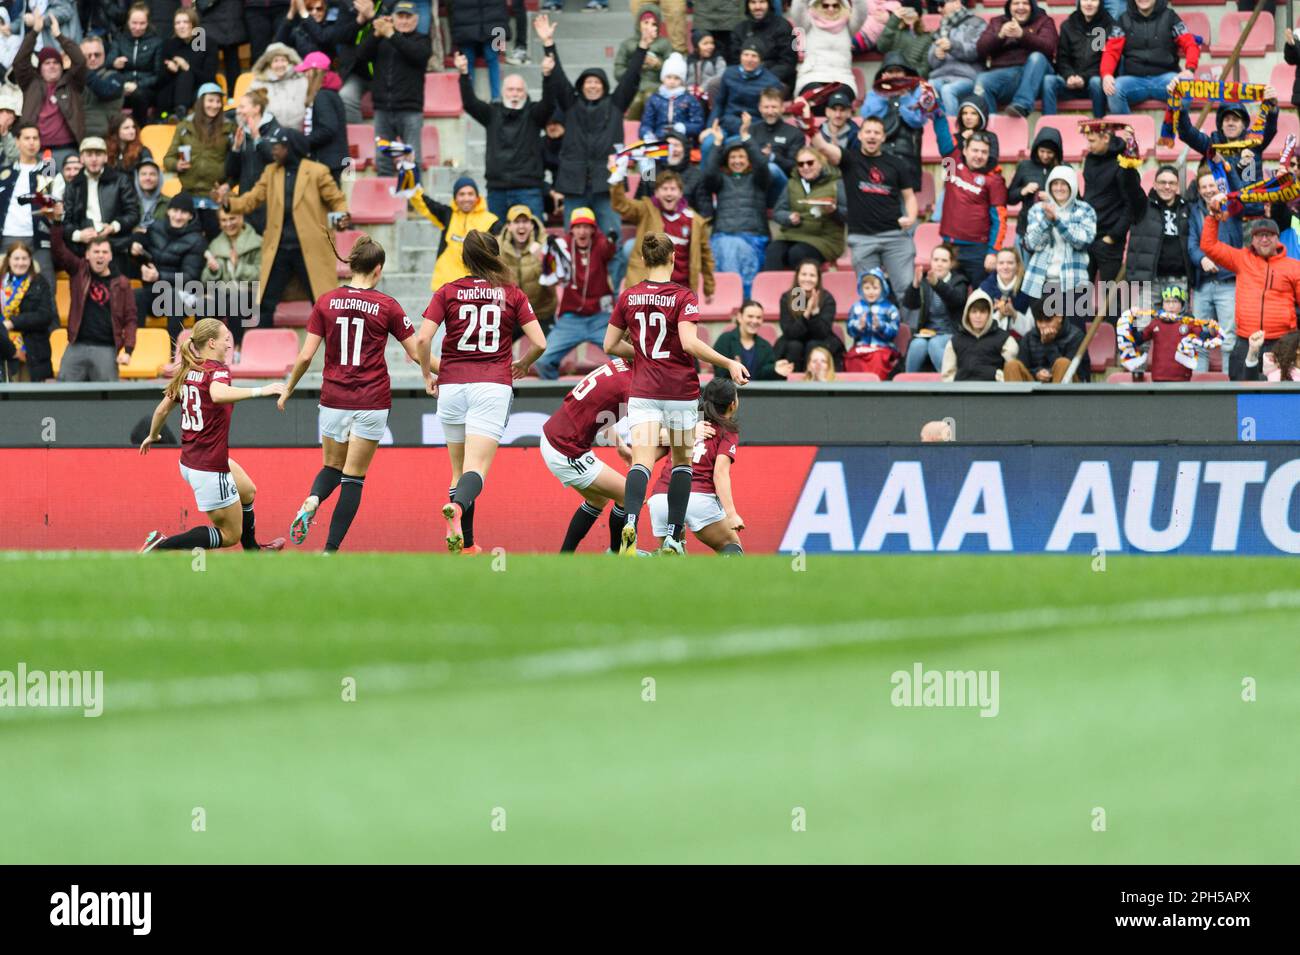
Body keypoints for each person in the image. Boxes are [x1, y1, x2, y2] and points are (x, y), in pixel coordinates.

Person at [603, 232, 749, 556]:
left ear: (642, 260)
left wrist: (642, 355)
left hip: (643, 390)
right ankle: (672, 535)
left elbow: (609, 345)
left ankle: (630, 522)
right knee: (681, 461)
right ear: (673, 259)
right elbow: (688, 343)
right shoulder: (684, 296)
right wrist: (727, 361)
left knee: (641, 462)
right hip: (679, 390)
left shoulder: (628, 296)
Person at [279, 234, 420, 551]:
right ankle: (330, 550)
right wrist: (449, 370)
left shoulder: (326, 301)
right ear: (378, 270)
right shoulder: (388, 306)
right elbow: (417, 353)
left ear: (351, 267)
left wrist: (288, 389)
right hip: (371, 400)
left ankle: (313, 500)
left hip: (334, 399)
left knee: (331, 467)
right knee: (354, 478)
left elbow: (305, 356)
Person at [418, 230, 548, 554]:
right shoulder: (511, 293)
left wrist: (425, 376)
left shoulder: (447, 292)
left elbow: (421, 340)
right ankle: (458, 510)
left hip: (451, 385)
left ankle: (467, 544)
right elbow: (541, 342)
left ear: (465, 259)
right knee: (475, 471)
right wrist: (523, 363)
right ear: (495, 255)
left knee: (457, 470)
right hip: (491, 385)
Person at [139, 319, 287, 553]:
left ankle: (253, 551)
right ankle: (162, 544)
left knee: (247, 490)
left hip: (191, 460)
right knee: (229, 535)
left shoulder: (190, 369)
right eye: (226, 339)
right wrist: (262, 390)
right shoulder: (217, 371)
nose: (229, 345)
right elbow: (217, 394)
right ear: (211, 342)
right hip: (208, 467)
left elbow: (162, 409)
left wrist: (152, 435)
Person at [216, 129, 351, 331]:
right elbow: (252, 199)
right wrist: (228, 204)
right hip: (278, 248)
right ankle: (261, 351)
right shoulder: (271, 171)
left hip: (311, 247)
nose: (273, 150)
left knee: (324, 304)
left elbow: (337, 200)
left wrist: (341, 216)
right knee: (265, 304)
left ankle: (338, 352)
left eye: (277, 146)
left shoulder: (317, 171)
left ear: (290, 147)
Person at [542, 15, 647, 236]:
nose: (592, 86)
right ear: (581, 86)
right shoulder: (571, 105)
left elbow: (630, 77)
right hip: (574, 184)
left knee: (612, 238)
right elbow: (559, 77)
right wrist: (549, 45)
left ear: (604, 86)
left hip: (607, 185)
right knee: (573, 238)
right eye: (588, 82)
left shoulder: (616, 104)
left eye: (597, 82)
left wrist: (643, 47)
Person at [457, 19, 558, 221]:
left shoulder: (534, 114)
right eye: (510, 89)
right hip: (497, 191)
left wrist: (548, 75)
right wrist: (464, 74)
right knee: (495, 246)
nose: (515, 93)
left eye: (519, 90)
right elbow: (469, 103)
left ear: (525, 93)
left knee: (534, 241)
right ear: (502, 92)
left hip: (529, 189)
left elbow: (549, 102)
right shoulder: (492, 113)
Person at [812, 114, 917, 300]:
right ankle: (871, 328)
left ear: (883, 138)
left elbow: (909, 197)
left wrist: (911, 217)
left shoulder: (897, 163)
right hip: (862, 239)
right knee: (870, 295)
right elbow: (822, 147)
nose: (872, 136)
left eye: (877, 133)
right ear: (859, 135)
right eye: (868, 131)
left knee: (906, 292)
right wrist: (808, 125)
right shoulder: (849, 159)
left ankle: (912, 329)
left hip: (895, 237)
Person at [541, 357, 638, 553]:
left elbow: (598, 406)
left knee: (597, 500)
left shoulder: (619, 364)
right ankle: (617, 554)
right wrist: (686, 432)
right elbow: (644, 430)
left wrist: (619, 445)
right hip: (565, 448)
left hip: (555, 436)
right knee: (630, 495)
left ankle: (564, 557)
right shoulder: (631, 383)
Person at [647, 377, 744, 555]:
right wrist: (732, 514)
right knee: (731, 545)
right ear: (732, 404)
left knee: (674, 559)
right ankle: (730, 584)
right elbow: (720, 474)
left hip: (661, 498)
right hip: (699, 499)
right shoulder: (726, 430)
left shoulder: (686, 422)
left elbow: (649, 440)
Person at [1200, 210, 1300, 379]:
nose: (1264, 239)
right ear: (1252, 240)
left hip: (1282, 343)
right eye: (1259, 235)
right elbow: (1209, 246)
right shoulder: (1241, 259)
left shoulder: (1294, 266)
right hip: (1246, 341)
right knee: (1240, 394)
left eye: (1269, 235)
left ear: (1277, 239)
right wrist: (1212, 217)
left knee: (1280, 399)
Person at [534, 207, 614, 380]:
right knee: (543, 360)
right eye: (578, 227)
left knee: (626, 360)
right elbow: (549, 269)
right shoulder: (563, 246)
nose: (582, 231)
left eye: (587, 227)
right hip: (571, 319)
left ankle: (624, 397)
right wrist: (548, 249)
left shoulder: (600, 244)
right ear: (571, 229)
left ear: (594, 229)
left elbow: (609, 250)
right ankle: (555, 401)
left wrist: (611, 240)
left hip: (600, 318)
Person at [610, 167, 715, 301]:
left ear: (681, 193)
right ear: (657, 192)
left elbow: (706, 256)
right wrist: (617, 179)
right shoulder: (646, 209)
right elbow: (620, 205)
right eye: (664, 189)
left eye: (673, 189)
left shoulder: (694, 221)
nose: (669, 193)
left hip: (680, 290)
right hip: (647, 290)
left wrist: (709, 288)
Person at [51, 226, 137, 381]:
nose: (100, 256)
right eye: (96, 252)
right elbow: (58, 249)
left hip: (107, 349)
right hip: (76, 346)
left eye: (104, 252)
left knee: (108, 401)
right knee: (62, 396)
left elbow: (130, 318)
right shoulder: (78, 271)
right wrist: (57, 222)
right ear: (87, 255)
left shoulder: (122, 283)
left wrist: (128, 350)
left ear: (111, 256)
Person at [932, 116, 1006, 287]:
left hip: (978, 250)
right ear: (964, 150)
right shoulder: (952, 163)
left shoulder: (995, 180)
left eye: (984, 152)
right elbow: (942, 134)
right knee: (950, 301)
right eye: (975, 150)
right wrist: (936, 111)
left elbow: (1000, 220)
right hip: (950, 247)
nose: (979, 156)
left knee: (981, 300)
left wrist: (993, 252)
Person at [358, 2, 430, 175]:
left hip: (410, 109)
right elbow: (360, 56)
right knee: (383, 162)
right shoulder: (382, 39)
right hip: (382, 109)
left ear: (417, 19)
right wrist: (376, 34)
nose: (404, 21)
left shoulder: (422, 40)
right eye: (400, 16)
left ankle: (413, 202)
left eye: (408, 17)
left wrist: (391, 34)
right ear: (393, 18)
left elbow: (416, 54)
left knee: (412, 161)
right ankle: (386, 202)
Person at [702, 123, 769, 300]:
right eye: (733, 157)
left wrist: (746, 138)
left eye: (742, 156)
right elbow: (708, 174)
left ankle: (737, 300)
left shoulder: (758, 180)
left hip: (752, 237)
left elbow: (762, 166)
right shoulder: (721, 180)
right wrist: (717, 143)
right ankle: (730, 301)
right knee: (722, 249)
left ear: (749, 159)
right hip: (722, 236)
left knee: (733, 249)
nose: (737, 161)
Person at [1020, 165, 1096, 322]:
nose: (1059, 188)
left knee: (1075, 335)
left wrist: (1058, 222)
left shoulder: (1085, 210)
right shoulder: (1038, 210)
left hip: (1074, 283)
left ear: (1072, 186)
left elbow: (1082, 242)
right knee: (1044, 334)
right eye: (1055, 184)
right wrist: (1046, 222)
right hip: (1042, 281)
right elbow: (1032, 244)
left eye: (1064, 184)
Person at [132, 192, 207, 344]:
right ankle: (136, 347)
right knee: (136, 295)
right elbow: (142, 245)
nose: (178, 216)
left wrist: (159, 276)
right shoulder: (155, 227)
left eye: (184, 212)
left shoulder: (197, 240)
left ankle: (176, 351)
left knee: (174, 297)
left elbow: (190, 276)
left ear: (191, 216)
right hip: (157, 291)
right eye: (175, 210)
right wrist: (134, 247)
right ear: (168, 211)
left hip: (186, 295)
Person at [1100, 0, 1198, 114]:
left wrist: (1190, 69)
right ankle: (1127, 130)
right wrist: (1106, 74)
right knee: (1114, 90)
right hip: (1134, 79)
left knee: (1185, 86)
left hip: (1166, 78)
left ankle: (1175, 130)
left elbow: (1190, 44)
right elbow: (1111, 51)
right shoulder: (1123, 19)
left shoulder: (1170, 16)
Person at [14, 13, 86, 166]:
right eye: (47, 63)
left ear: (62, 66)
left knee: (70, 188)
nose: (52, 66)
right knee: (48, 187)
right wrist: (34, 32)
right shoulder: (31, 83)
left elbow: (80, 61)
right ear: (40, 68)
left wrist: (59, 36)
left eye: (56, 62)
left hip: (69, 150)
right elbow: (20, 62)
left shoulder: (72, 83)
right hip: (43, 152)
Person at [164, 83, 234, 237]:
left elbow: (236, 164)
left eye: (218, 101)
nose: (214, 105)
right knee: (189, 241)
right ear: (200, 102)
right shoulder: (184, 127)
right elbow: (168, 159)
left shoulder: (229, 128)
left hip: (215, 196)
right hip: (189, 194)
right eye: (210, 100)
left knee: (214, 240)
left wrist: (228, 185)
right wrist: (177, 164)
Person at [409, 175, 499, 291]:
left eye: (470, 194)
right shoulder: (448, 215)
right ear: (455, 198)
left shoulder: (491, 220)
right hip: (446, 285)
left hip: (477, 287)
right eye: (461, 194)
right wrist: (409, 177)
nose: (466, 198)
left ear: (477, 197)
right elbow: (423, 202)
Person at [1116, 285, 1221, 382]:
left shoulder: (1189, 323)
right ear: (1162, 305)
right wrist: (1132, 321)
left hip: (1182, 379)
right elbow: (1137, 340)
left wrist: (1212, 331)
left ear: (1182, 304)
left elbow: (1204, 339)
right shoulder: (1155, 323)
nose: (1170, 305)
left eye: (1175, 301)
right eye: (1167, 301)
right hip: (1158, 378)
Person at [1187, 169, 1239, 364]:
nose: (1209, 190)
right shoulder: (1194, 212)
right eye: (1204, 187)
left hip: (1228, 283)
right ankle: (1198, 387)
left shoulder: (1233, 208)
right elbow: (1191, 244)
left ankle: (1229, 386)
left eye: (1212, 185)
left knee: (1228, 339)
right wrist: (1201, 259)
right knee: (1199, 338)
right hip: (1203, 284)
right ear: (1199, 190)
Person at [62, 136, 141, 262]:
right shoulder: (73, 186)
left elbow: (133, 213)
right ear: (81, 159)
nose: (94, 159)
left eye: (98, 154)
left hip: (115, 243)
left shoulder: (120, 180)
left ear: (105, 157)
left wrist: (113, 227)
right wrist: (79, 235)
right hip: (84, 247)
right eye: (89, 154)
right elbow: (65, 221)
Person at [767, 146, 846, 270]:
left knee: (798, 253)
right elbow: (778, 212)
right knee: (773, 251)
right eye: (801, 164)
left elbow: (850, 214)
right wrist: (788, 217)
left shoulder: (836, 183)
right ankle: (774, 289)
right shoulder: (792, 183)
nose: (805, 167)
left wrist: (834, 211)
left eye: (810, 163)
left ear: (821, 164)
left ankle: (799, 290)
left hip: (825, 238)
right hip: (793, 234)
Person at [974, 0, 1057, 118]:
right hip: (1006, 76)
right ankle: (989, 130)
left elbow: (1049, 47)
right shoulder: (997, 22)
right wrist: (1000, 35)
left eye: (1025, 3)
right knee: (982, 80)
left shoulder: (1044, 21)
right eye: (1016, 3)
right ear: (1009, 6)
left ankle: (1022, 105)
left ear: (1032, 6)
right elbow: (981, 49)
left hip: (1036, 75)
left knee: (1036, 57)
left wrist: (1022, 35)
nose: (1020, 7)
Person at [861, 54, 927, 192]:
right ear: (884, 74)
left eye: (898, 71)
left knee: (905, 206)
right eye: (890, 71)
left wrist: (904, 97)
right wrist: (884, 93)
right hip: (880, 157)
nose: (894, 75)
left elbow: (917, 120)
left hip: (908, 159)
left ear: (905, 73)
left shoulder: (917, 92)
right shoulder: (874, 93)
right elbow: (870, 119)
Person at [1122, 162, 1192, 291]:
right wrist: (1129, 165)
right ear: (1154, 184)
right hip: (1149, 282)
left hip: (1179, 280)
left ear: (1177, 186)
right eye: (1162, 182)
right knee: (1145, 312)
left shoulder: (1186, 208)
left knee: (1177, 313)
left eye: (1171, 183)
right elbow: (1131, 186)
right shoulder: (1142, 206)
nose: (1167, 187)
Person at [901, 243, 969, 372]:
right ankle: (908, 385)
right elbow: (910, 304)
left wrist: (937, 284)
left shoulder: (960, 281)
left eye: (944, 261)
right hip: (926, 332)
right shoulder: (925, 281)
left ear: (951, 264)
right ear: (931, 262)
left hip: (951, 332)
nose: (939, 264)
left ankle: (949, 383)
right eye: (936, 260)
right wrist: (915, 285)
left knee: (935, 343)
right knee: (917, 345)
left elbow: (956, 300)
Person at [0, 123, 55, 279]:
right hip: (7, 236)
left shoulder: (48, 169)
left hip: (38, 236)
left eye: (35, 138)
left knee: (46, 286)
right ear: (17, 142)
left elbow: (57, 199)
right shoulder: (4, 171)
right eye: (27, 138)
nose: (32, 142)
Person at [1080, 123, 1130, 291]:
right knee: (1079, 298)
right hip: (1087, 236)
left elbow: (1131, 205)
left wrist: (1113, 237)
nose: (1089, 145)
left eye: (1092, 141)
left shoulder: (1124, 161)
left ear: (1106, 138)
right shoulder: (1090, 159)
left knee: (1112, 301)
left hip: (1109, 241)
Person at [0, 241, 57, 382]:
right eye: (16, 258)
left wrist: (13, 322)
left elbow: (45, 316)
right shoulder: (1, 283)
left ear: (30, 260)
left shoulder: (39, 282)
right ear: (9, 260)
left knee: (30, 400)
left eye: (24, 258)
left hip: (33, 351)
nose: (20, 263)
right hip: (5, 349)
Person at [201, 207, 263, 337]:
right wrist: (214, 271)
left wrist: (238, 266)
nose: (228, 224)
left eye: (232, 218)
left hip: (250, 294)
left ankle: (237, 347)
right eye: (224, 220)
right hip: (224, 294)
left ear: (241, 217)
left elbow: (261, 274)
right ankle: (204, 348)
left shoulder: (257, 242)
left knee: (235, 300)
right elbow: (205, 280)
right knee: (204, 303)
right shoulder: (215, 244)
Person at [1045, 0, 1113, 117]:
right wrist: (1069, 75)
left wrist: (1084, 78)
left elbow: (1106, 60)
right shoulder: (1068, 25)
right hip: (1069, 81)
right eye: (1085, 0)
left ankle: (1099, 128)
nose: (1089, 4)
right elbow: (1062, 57)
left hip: (1093, 83)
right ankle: (1048, 130)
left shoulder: (1108, 26)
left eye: (1093, 0)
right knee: (1048, 81)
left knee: (1096, 82)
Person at [497, 204, 558, 334]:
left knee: (546, 351)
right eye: (516, 222)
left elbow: (555, 283)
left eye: (525, 221)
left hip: (541, 312)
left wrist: (544, 262)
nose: (521, 226)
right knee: (499, 352)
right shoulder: (497, 247)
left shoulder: (546, 244)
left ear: (531, 225)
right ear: (509, 226)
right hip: (511, 314)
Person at [790, 0, 867, 102]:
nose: (831, 9)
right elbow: (798, 7)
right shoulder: (808, 23)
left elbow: (861, 11)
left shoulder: (848, 25)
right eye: (825, 5)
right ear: (817, 5)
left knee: (839, 100)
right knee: (816, 97)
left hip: (842, 77)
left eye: (835, 5)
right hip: (812, 76)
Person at [227, 89, 280, 234]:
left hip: (269, 200)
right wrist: (236, 148)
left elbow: (275, 160)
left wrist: (258, 139)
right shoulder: (240, 132)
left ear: (256, 109)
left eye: (242, 107)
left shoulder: (275, 130)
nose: (238, 111)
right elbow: (231, 171)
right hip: (246, 199)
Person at [775, 260, 843, 371]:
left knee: (813, 345)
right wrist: (806, 313)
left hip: (820, 340)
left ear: (818, 278)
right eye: (804, 274)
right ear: (798, 276)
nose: (807, 279)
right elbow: (791, 333)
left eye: (812, 275)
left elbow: (822, 333)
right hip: (793, 342)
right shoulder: (788, 297)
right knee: (794, 346)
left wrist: (815, 311)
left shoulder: (826, 298)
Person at [707, 42, 783, 138]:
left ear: (760, 59)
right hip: (727, 122)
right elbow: (719, 103)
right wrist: (710, 127)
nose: (749, 59)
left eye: (754, 56)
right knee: (708, 143)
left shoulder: (771, 81)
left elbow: (772, 111)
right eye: (745, 55)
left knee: (734, 145)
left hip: (753, 127)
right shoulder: (729, 73)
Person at [940, 290, 1019, 381]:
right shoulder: (955, 341)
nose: (978, 316)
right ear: (967, 314)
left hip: (995, 392)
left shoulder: (1005, 339)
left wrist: (996, 375)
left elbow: (1013, 374)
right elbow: (947, 377)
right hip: (963, 392)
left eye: (983, 312)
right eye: (974, 311)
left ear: (989, 314)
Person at [926, 0, 986, 118]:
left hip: (967, 77)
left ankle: (952, 133)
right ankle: (933, 132)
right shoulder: (942, 27)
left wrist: (952, 46)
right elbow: (931, 63)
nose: (939, 9)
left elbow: (976, 51)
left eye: (942, 4)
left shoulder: (977, 23)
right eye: (937, 5)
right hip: (941, 76)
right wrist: (937, 55)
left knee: (948, 91)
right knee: (928, 87)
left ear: (957, 3)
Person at [155, 8, 217, 120]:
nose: (181, 26)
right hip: (173, 92)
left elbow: (210, 78)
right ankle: (164, 117)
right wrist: (169, 70)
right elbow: (159, 79)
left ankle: (180, 113)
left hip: (199, 89)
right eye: (177, 23)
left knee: (186, 74)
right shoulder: (169, 45)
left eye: (185, 22)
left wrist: (187, 67)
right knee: (164, 88)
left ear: (194, 24)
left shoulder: (208, 44)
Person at [1006, 127, 1062, 248]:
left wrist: (1054, 198)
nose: (1045, 156)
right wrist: (1023, 190)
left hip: (1055, 233)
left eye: (1050, 153)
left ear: (1057, 153)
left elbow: (1076, 200)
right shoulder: (1024, 166)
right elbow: (1009, 198)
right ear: (1036, 148)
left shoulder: (1064, 169)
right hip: (1025, 230)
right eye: (1042, 151)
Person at [617, 7, 674, 122]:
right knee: (636, 101)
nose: (649, 27)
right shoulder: (628, 44)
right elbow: (617, 71)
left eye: (653, 24)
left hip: (656, 84)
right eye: (645, 23)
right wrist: (635, 66)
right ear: (639, 24)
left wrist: (658, 64)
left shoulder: (664, 43)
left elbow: (673, 71)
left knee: (649, 96)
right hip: (632, 86)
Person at [299, 51, 348, 184]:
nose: (304, 75)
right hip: (329, 161)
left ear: (314, 72)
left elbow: (328, 128)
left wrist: (302, 141)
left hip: (328, 162)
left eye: (306, 71)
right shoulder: (326, 94)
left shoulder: (323, 96)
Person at [109, 3, 162, 120]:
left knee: (139, 95)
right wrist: (114, 63)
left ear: (148, 23)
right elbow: (107, 63)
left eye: (142, 23)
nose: (138, 27)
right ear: (128, 22)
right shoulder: (120, 39)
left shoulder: (156, 42)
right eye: (134, 23)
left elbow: (158, 75)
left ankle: (140, 128)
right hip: (122, 86)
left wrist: (137, 85)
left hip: (145, 89)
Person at [638, 52, 706, 144]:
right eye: (669, 77)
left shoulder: (689, 99)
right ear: (663, 78)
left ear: (682, 80)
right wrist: (647, 134)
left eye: (676, 78)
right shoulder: (654, 99)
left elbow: (698, 124)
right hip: (658, 139)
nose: (672, 81)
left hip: (682, 141)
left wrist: (685, 128)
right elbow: (646, 123)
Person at [713, 300, 789, 381]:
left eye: (758, 317)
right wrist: (732, 367)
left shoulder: (765, 346)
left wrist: (775, 369)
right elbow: (719, 371)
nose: (755, 321)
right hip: (731, 392)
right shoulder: (725, 340)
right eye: (750, 316)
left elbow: (763, 375)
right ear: (739, 317)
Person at [1013, 302, 1090, 382]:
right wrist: (1036, 373)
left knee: (1062, 363)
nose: (1043, 325)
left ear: (1059, 317)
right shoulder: (1029, 338)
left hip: (1070, 387)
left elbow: (1073, 371)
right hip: (1035, 384)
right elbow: (1024, 367)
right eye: (1039, 321)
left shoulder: (1075, 336)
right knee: (1012, 366)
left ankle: (1056, 394)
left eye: (1048, 320)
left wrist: (1048, 344)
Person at [845, 268, 901, 377]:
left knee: (877, 359)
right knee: (852, 359)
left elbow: (894, 331)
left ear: (883, 288)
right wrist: (858, 326)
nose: (871, 292)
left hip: (883, 348)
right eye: (867, 288)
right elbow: (849, 329)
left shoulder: (890, 308)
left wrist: (881, 327)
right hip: (861, 346)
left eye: (875, 288)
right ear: (861, 289)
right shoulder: (856, 307)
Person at [449, 0, 508, 104]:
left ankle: (493, 98)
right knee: (471, 60)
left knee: (490, 57)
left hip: (481, 24)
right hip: (472, 24)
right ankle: (492, 98)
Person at [732, 0, 796, 89]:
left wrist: (762, 78)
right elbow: (734, 60)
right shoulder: (740, 29)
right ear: (747, 6)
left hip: (776, 79)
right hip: (744, 77)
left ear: (769, 4)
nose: (757, 7)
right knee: (715, 84)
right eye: (753, 2)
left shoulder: (783, 26)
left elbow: (788, 62)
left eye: (762, 2)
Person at [977, 248, 1033, 335]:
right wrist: (999, 315)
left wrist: (1014, 314)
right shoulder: (984, 289)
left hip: (1021, 340)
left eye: (1010, 263)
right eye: (1001, 263)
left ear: (1017, 265)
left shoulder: (1028, 289)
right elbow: (977, 325)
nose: (1005, 267)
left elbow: (1031, 329)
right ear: (996, 266)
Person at [80, 34, 124, 140]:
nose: (93, 58)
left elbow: (105, 91)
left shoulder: (115, 77)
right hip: (78, 136)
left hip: (108, 137)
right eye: (88, 56)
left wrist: (82, 68)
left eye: (97, 55)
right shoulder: (73, 78)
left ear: (104, 55)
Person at [876, 4, 934, 77]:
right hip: (890, 75)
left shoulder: (927, 38)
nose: (908, 14)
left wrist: (908, 75)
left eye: (911, 11)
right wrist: (894, 20)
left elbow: (925, 68)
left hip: (912, 80)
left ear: (918, 15)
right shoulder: (895, 30)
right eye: (906, 11)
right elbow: (881, 47)